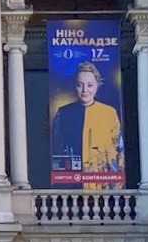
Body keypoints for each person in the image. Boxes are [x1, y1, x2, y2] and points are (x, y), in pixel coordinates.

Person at [50, 61, 124, 189]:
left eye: (89, 85)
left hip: (103, 187)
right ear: (74, 86)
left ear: (97, 85)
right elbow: (57, 149)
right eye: (80, 85)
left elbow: (118, 151)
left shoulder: (109, 113)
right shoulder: (63, 113)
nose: (85, 90)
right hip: (71, 185)